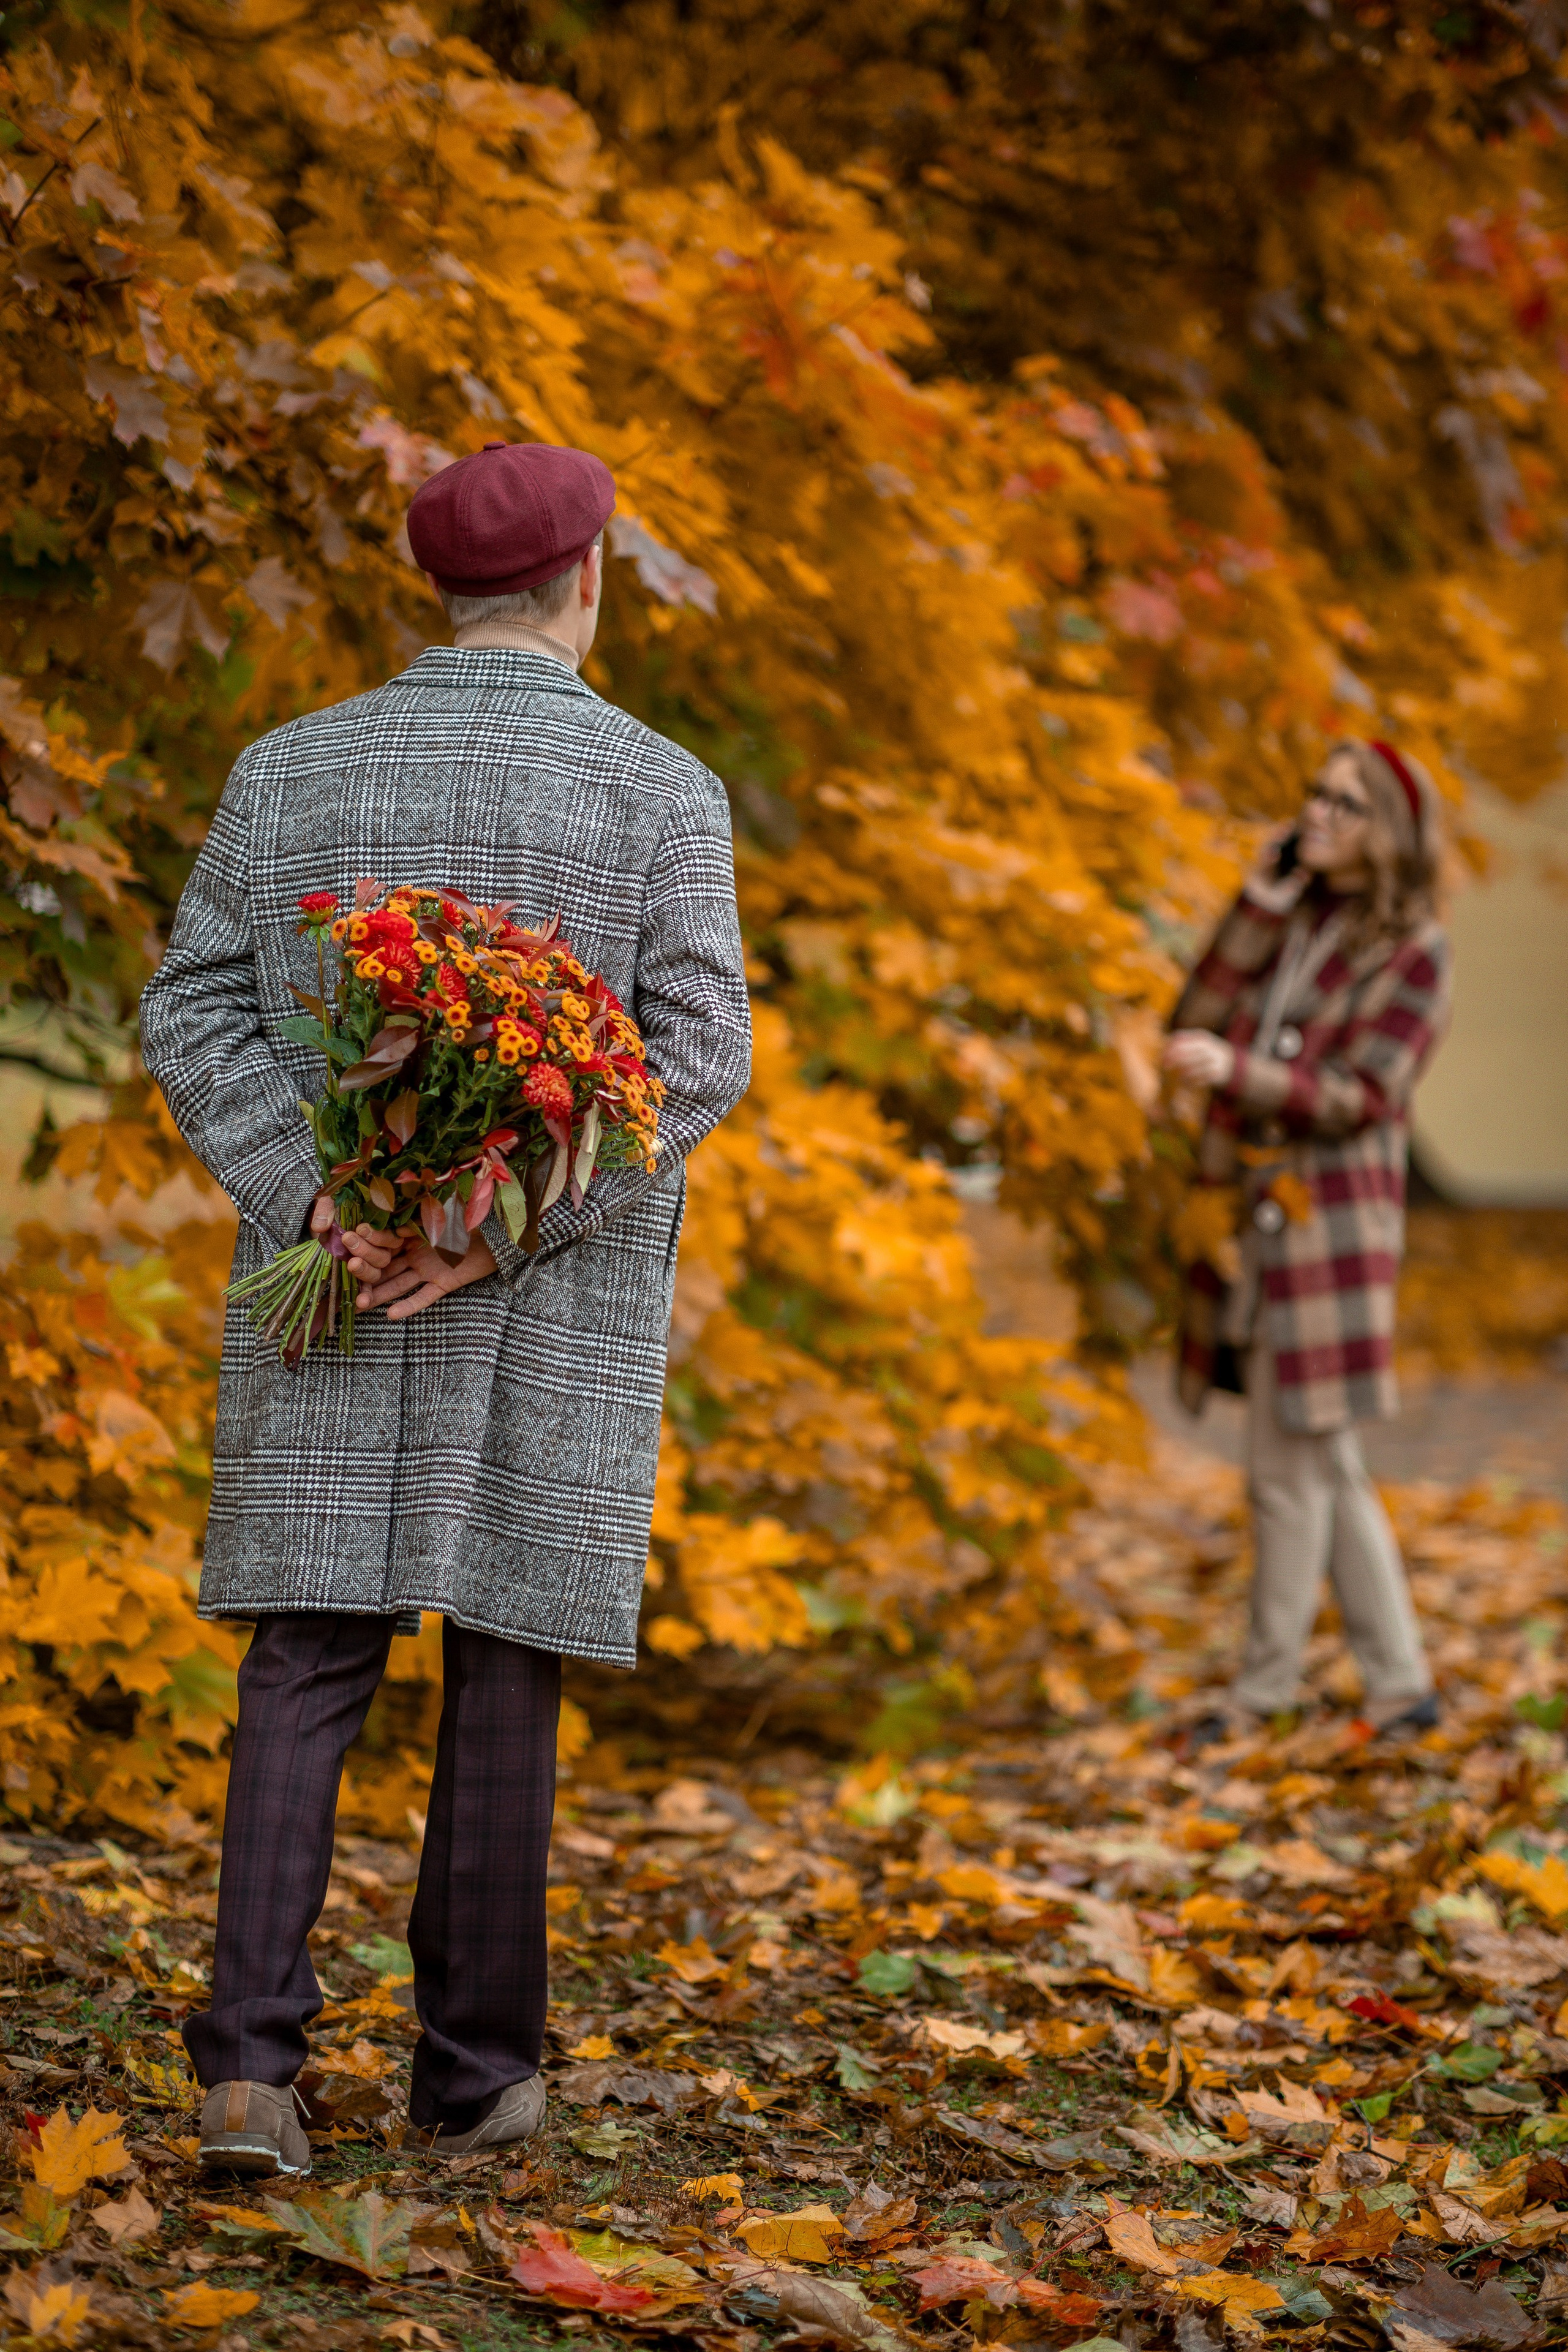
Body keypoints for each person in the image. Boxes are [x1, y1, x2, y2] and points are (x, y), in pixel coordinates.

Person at [140, 441, 752, 2175]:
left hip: (332, 1274)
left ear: (442, 585)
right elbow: (699, 1056)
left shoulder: (288, 769)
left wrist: (319, 1198)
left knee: (305, 1645)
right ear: (587, 577)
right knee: (504, 1659)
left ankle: (247, 2072)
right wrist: (499, 1229)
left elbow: (190, 1009)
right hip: (544, 1295)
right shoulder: (660, 789)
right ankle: (475, 2077)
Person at [1162, 738, 1450, 1739]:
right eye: (1315, 795)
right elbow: (1192, 1020)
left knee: (1285, 1472)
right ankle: (1401, 1687)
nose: (1316, 813)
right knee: (1327, 1462)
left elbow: (1364, 1094)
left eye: (1345, 803)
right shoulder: (1295, 921)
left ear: (1390, 831)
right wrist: (1255, 905)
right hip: (1252, 1219)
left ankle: (1263, 1693)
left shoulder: (1417, 951)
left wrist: (1240, 1074)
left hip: (1327, 1233)